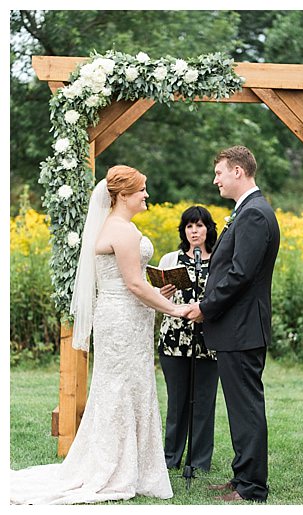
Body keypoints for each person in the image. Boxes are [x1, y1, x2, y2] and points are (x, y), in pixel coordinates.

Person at [10, 165, 191, 504]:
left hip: (123, 314)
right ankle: (114, 467)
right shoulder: (123, 231)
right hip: (123, 319)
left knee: (126, 386)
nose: (146, 195)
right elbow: (135, 284)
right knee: (120, 389)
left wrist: (158, 297)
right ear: (123, 196)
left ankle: (128, 465)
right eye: (141, 191)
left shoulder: (116, 227)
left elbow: (131, 284)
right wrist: (176, 310)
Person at [187, 145, 280, 503]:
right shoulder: (248, 211)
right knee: (241, 406)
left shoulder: (255, 214)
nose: (216, 180)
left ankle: (253, 487)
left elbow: (240, 274)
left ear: (238, 171)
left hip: (242, 327)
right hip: (238, 327)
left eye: (220, 173)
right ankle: (243, 477)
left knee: (246, 407)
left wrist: (206, 308)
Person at [157, 206, 219, 472]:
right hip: (174, 339)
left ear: (208, 229)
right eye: (189, 226)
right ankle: (171, 457)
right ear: (183, 230)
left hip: (208, 341)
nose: (194, 231)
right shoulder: (170, 260)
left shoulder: (219, 259)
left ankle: (199, 461)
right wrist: (163, 293)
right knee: (177, 402)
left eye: (200, 225)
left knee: (204, 402)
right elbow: (157, 301)